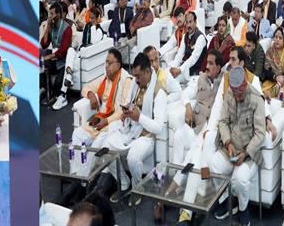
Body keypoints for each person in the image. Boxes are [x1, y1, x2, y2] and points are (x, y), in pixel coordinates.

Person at [163, 50, 225, 224]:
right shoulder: (200, 79)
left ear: (219, 67)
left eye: (211, 63)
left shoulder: (224, 83)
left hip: (210, 133)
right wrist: (188, 107)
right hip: (197, 127)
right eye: (207, 62)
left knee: (194, 159)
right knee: (179, 135)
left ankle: (180, 202)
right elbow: (185, 93)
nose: (207, 66)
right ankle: (178, 189)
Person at [103, 53, 167, 205]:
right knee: (104, 149)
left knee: (132, 157)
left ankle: (137, 189)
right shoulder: (136, 84)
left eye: (138, 76)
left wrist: (139, 118)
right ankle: (124, 184)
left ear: (147, 72)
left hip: (147, 136)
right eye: (134, 76)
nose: (136, 80)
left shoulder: (159, 92)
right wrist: (127, 112)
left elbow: (158, 127)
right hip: (131, 130)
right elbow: (132, 103)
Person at [210, 66, 266, 226]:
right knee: (213, 165)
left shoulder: (257, 99)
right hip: (230, 149)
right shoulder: (230, 94)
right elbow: (222, 121)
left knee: (239, 179)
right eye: (234, 93)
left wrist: (245, 153)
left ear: (245, 85)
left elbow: (260, 134)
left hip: (249, 154)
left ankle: (243, 209)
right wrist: (228, 143)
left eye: (240, 93)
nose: (237, 97)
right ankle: (228, 200)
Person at [71, 49, 133, 148]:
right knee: (77, 134)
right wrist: (91, 95)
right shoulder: (105, 78)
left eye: (109, 63)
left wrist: (106, 121)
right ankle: (79, 159)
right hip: (100, 120)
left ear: (118, 65)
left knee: (96, 146)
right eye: (106, 63)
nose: (106, 66)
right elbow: (86, 88)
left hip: (114, 124)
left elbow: (123, 110)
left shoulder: (126, 80)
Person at [59, 7, 106, 97]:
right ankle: (69, 76)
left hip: (88, 54)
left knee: (70, 61)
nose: (90, 20)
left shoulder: (99, 30)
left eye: (93, 18)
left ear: (97, 19)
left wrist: (94, 26)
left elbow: (94, 42)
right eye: (90, 17)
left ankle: (63, 93)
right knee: (70, 50)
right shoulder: (87, 26)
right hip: (81, 51)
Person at [41, 3, 74, 110]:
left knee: (58, 85)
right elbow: (44, 44)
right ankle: (49, 92)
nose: (50, 17)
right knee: (42, 57)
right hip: (53, 59)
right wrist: (47, 27)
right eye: (49, 14)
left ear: (58, 15)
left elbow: (63, 51)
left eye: (52, 14)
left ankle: (54, 94)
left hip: (63, 61)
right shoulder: (51, 27)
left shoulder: (67, 28)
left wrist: (48, 57)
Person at [169, 11, 207, 84]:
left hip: (196, 73)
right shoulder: (185, 36)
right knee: (170, 80)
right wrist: (173, 67)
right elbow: (179, 55)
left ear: (195, 22)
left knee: (177, 85)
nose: (188, 25)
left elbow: (193, 58)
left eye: (190, 22)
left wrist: (180, 69)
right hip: (185, 70)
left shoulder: (200, 38)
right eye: (187, 22)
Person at [262, 27, 284, 100]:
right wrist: (275, 77)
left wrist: (279, 82)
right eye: (276, 37)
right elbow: (266, 70)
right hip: (270, 81)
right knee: (263, 95)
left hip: (283, 82)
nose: (277, 40)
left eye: (280, 38)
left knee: (280, 97)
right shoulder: (270, 51)